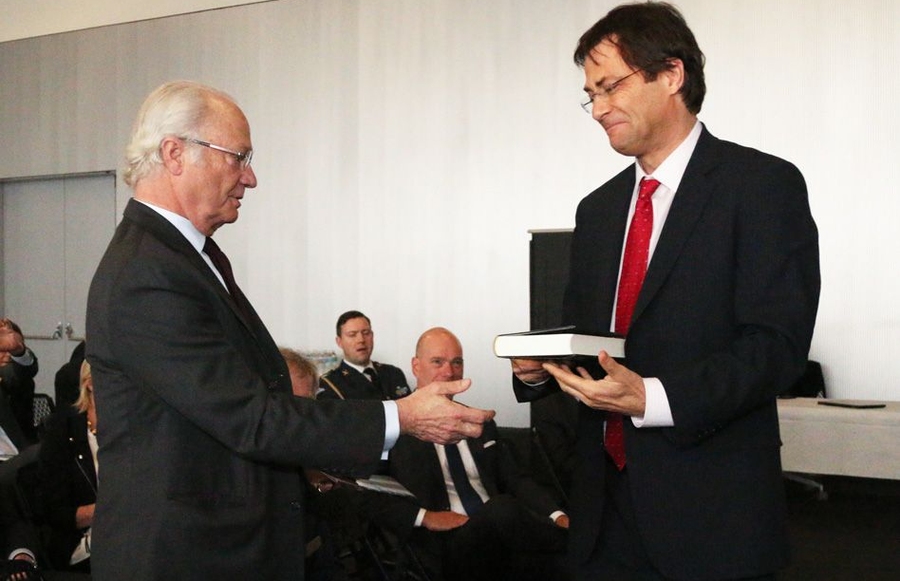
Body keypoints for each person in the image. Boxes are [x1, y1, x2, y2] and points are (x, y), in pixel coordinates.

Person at [85, 80, 494, 580]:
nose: (250, 177)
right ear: (174, 153)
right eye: (238, 157)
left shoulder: (188, 256)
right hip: (185, 555)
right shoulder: (146, 274)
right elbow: (250, 418)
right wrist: (400, 417)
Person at [511, 1, 820, 581]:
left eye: (610, 86)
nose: (598, 108)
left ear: (671, 75)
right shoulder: (597, 211)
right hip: (602, 517)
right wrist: (536, 368)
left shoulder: (762, 186)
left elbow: (775, 347)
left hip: (713, 519)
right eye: (590, 94)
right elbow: (587, 335)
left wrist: (653, 398)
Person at [382, 327, 569, 581]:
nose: (448, 372)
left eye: (456, 362)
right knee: (502, 510)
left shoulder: (477, 421)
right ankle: (577, 547)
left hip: (500, 533)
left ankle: (573, 543)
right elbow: (369, 490)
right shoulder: (395, 426)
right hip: (444, 542)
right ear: (416, 366)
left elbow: (515, 479)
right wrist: (425, 517)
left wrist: (556, 515)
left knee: (514, 525)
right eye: (437, 362)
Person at [38, 360, 97, 573]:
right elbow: (55, 513)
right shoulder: (62, 431)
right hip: (80, 542)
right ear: (89, 383)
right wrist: (111, 511)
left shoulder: (132, 428)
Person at [320, 311, 411, 401]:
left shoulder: (393, 373)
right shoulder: (331, 383)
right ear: (339, 342)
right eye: (352, 335)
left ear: (372, 336)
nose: (361, 340)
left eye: (366, 333)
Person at [0, 320, 39, 485]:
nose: (6, 354)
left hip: (14, 461)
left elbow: (16, 375)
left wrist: (18, 351)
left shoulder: (16, 380)